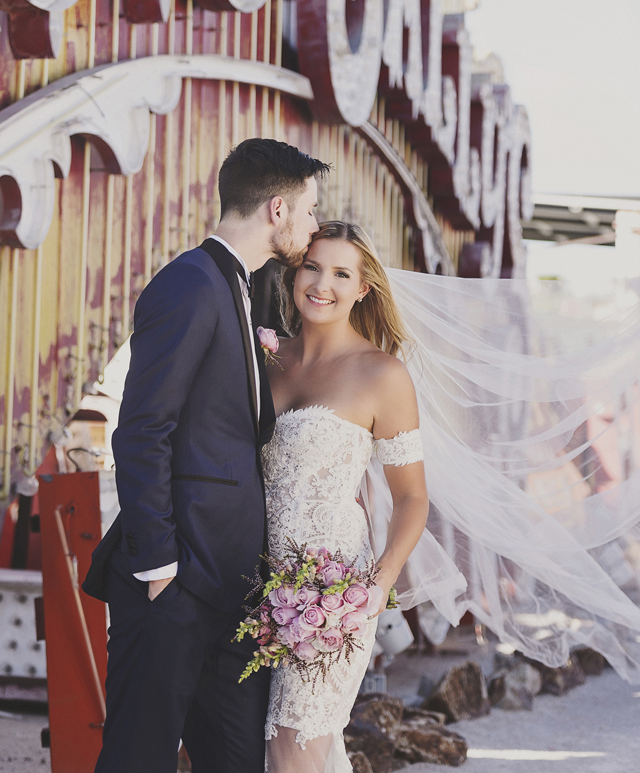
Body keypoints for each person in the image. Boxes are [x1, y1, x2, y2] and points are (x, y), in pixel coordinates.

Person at [83, 139, 329, 773]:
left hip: (231, 586)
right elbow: (142, 430)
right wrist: (159, 562)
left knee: (234, 760)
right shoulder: (189, 284)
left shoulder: (241, 290)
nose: (313, 225)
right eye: (308, 210)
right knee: (140, 755)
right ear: (277, 208)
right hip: (175, 579)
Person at [262, 221, 429, 773]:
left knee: (295, 749)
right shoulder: (264, 359)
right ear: (294, 272)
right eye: (312, 267)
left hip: (327, 593)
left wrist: (375, 587)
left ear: (363, 289)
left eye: (341, 273)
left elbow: (411, 499)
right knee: (253, 749)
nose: (321, 284)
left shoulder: (382, 375)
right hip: (248, 580)